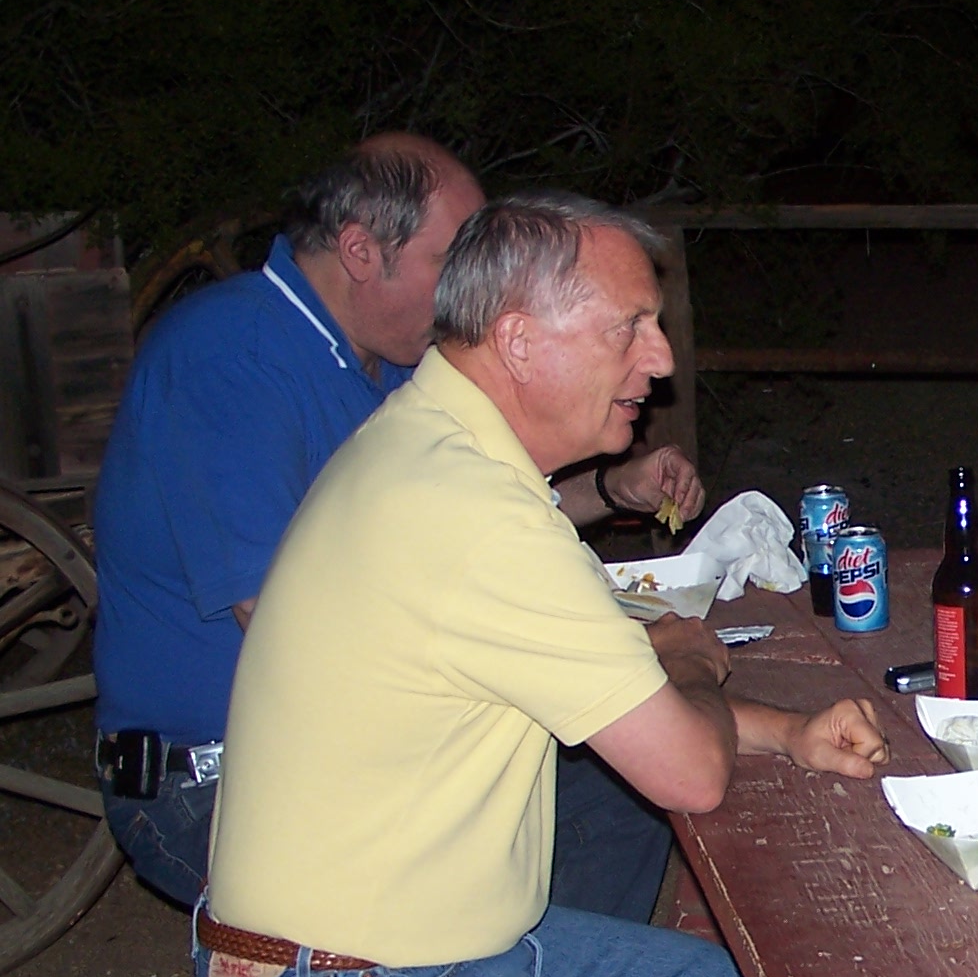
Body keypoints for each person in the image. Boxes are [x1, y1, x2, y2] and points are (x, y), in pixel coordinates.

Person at [191, 192, 890, 977]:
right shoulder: (471, 512)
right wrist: (700, 674)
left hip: (394, 961)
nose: (661, 362)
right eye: (633, 328)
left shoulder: (444, 454)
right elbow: (686, 763)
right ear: (520, 340)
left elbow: (615, 664)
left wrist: (785, 732)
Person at [93, 136, 703, 917]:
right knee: (615, 783)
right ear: (359, 251)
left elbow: (485, 516)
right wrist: (593, 659)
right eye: (456, 258)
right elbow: (285, 618)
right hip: (218, 779)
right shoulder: (228, 359)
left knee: (617, 788)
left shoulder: (388, 363)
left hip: (362, 752)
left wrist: (612, 488)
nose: (478, 285)